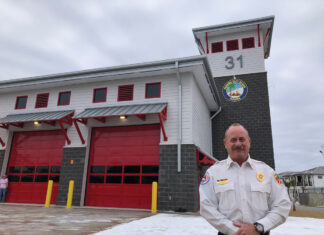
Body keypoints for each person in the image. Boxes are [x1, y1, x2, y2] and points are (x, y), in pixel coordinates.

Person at [200, 123, 291, 235]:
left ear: (249, 141)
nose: (238, 144)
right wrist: (236, 230)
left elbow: (282, 205)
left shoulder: (267, 172)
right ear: (225, 143)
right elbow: (206, 207)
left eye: (242, 139)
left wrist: (258, 227)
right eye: (233, 140)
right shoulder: (213, 173)